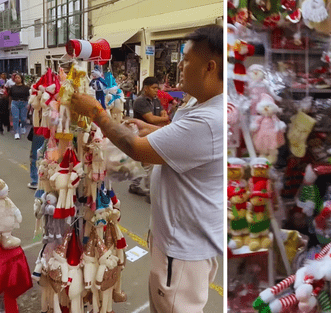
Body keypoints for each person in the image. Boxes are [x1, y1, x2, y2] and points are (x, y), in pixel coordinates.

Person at [71, 25, 223, 313]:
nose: (180, 67)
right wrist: (150, 127)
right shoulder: (198, 107)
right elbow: (182, 140)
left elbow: (136, 150)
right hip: (173, 241)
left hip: (182, 253)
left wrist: (95, 111)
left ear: (209, 67)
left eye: (187, 60)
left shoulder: (210, 120)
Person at [8, 73, 30, 140]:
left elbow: (29, 96)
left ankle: (23, 126)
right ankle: (16, 133)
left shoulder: (26, 87)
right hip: (15, 103)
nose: (17, 79)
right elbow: (10, 96)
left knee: (23, 118)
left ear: (21, 79)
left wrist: (29, 104)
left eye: (18, 78)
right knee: (15, 118)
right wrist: (10, 104)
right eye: (16, 78)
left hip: (24, 103)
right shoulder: (12, 87)